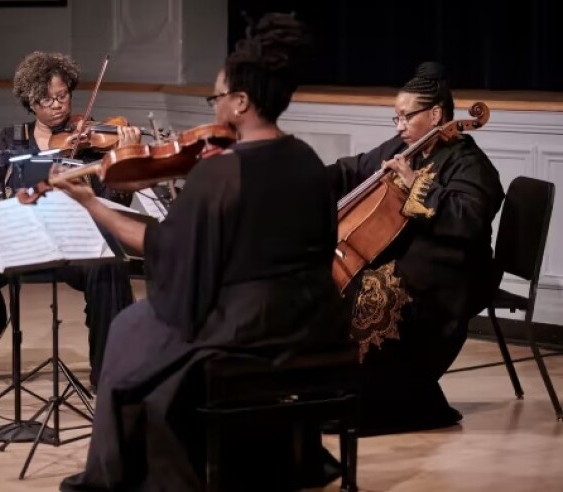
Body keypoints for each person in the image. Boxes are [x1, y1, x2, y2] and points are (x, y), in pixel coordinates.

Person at [52, 13, 350, 491]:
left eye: (216, 98)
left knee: (132, 327)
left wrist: (92, 205)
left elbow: (163, 251)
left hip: (251, 331)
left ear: (241, 101)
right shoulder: (308, 160)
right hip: (315, 320)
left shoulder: (221, 174)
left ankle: (121, 475)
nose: (214, 108)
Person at [0, 51, 141, 396]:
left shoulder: (94, 143)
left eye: (63, 96)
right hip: (19, 236)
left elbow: (114, 202)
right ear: (30, 102)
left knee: (109, 265)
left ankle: (109, 372)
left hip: (73, 239)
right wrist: (12, 205)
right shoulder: (10, 138)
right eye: (46, 99)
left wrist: (126, 160)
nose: (57, 106)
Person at [326, 61, 505, 435]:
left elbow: (468, 219)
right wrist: (305, 178)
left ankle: (386, 402)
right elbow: (353, 169)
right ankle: (342, 391)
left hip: (452, 273)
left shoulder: (471, 163)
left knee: (371, 292)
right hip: (413, 260)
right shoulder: (403, 149)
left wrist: (416, 187)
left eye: (406, 117)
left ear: (436, 113)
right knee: (349, 283)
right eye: (396, 119)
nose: (399, 126)